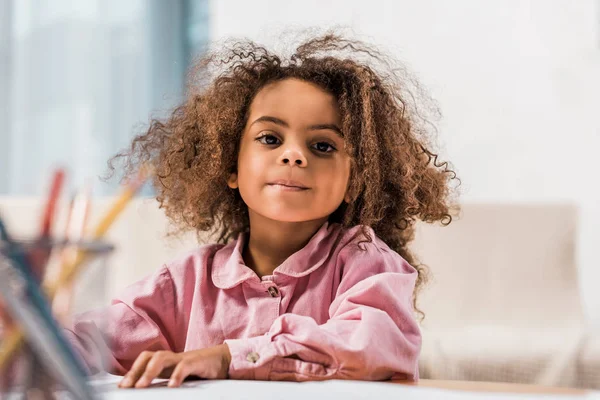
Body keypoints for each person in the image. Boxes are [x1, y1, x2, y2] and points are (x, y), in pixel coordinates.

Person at [65, 32, 459, 389]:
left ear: (355, 180)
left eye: (322, 146)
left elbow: (368, 344)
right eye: (270, 138)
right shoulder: (185, 282)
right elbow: (89, 341)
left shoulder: (365, 264)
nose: (293, 156)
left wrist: (227, 357)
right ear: (230, 166)